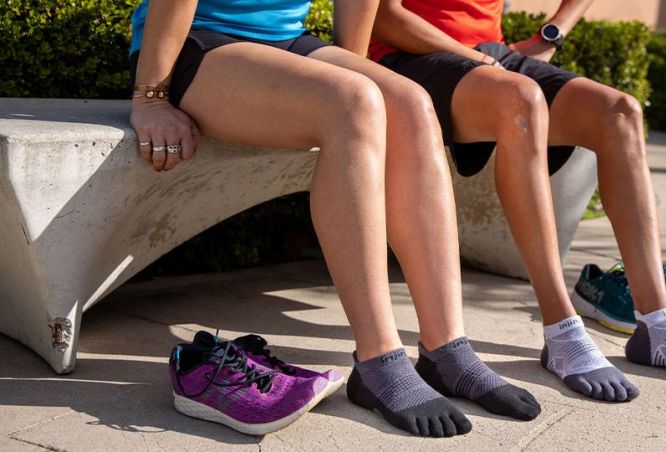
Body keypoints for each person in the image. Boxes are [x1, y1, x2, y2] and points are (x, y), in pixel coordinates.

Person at [130, 0, 539, 437]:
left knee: (412, 103)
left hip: (284, 41)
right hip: (194, 42)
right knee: (355, 100)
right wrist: (150, 97)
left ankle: (447, 350)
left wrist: (353, 86)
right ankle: (379, 360)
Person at [370, 0, 666, 399]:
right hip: (408, 60)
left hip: (490, 57)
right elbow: (383, 16)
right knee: (523, 100)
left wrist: (552, 33)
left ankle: (658, 325)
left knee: (620, 112)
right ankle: (562, 330)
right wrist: (477, 58)